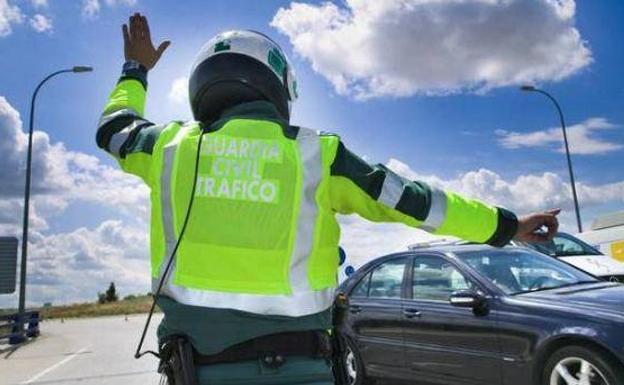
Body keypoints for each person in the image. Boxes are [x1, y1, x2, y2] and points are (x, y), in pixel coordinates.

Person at [96, 13, 559, 385]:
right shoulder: (318, 154)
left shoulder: (168, 149)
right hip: (303, 367)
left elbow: (114, 128)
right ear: (278, 87)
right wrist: (506, 225)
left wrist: (135, 70)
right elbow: (417, 202)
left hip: (197, 368)